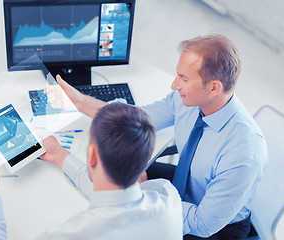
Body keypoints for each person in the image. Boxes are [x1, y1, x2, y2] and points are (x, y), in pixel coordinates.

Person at [46, 34, 268, 239]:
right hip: (186, 185)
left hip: (215, 229)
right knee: (114, 173)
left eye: (183, 78)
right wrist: (80, 102)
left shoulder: (244, 152)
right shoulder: (188, 101)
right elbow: (134, 119)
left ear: (213, 88)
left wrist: (140, 197)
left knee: (119, 196)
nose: (174, 85)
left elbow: (202, 223)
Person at [0, 102, 183, 240]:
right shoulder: (167, 195)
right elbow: (116, 196)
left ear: (91, 156)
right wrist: (58, 154)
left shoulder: (70, 234)